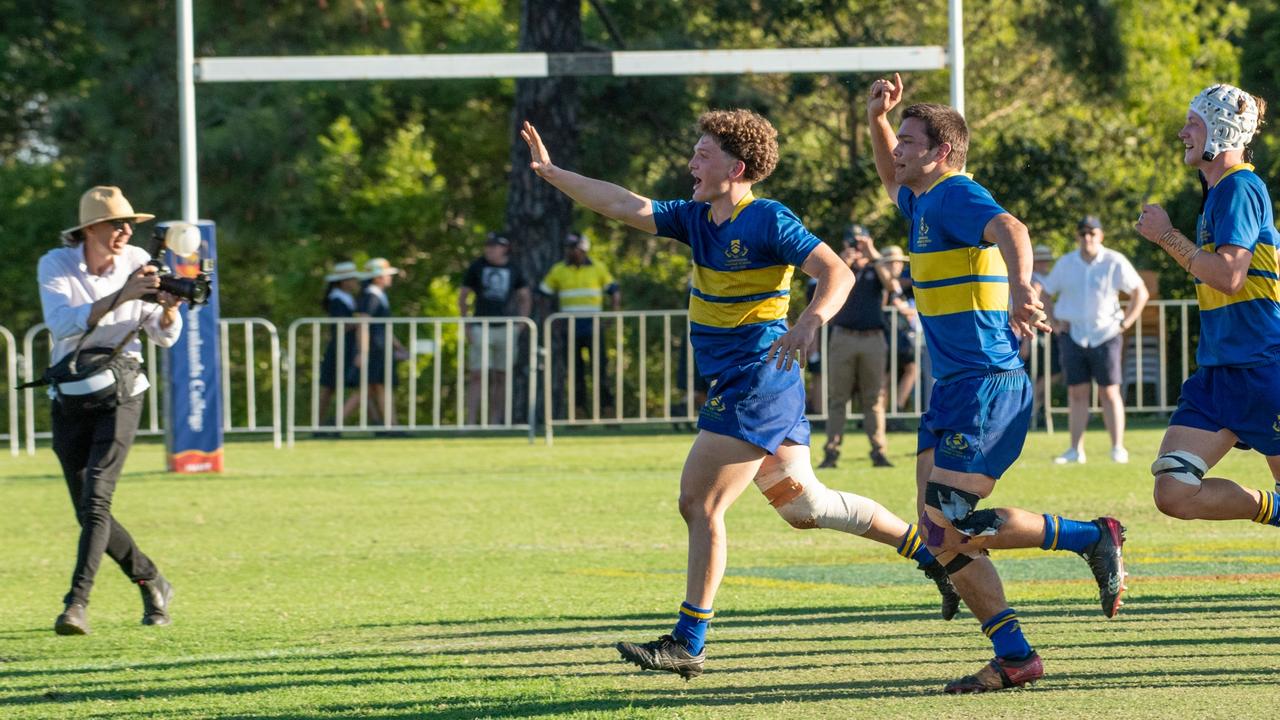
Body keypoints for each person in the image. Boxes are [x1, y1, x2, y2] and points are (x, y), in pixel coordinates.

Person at [522, 109, 961, 681]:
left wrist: (808, 324)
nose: (691, 165)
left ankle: (688, 640)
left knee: (700, 503)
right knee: (808, 507)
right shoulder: (696, 217)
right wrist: (554, 173)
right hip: (750, 383)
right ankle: (934, 555)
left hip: (758, 379)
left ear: (738, 167)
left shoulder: (768, 220)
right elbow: (623, 204)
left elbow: (838, 274)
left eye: (702, 155)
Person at [867, 73, 1127, 693]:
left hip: (986, 386)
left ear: (943, 153)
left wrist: (1020, 288)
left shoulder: (956, 195)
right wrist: (878, 118)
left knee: (949, 527)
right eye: (898, 140)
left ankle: (1092, 536)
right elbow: (887, 174)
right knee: (938, 534)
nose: (899, 150)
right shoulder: (922, 200)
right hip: (953, 389)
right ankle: (1015, 656)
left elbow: (1013, 229)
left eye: (910, 141)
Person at [1134, 84, 1280, 560]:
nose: (1182, 133)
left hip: (1265, 371)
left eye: (1192, 123)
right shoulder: (1221, 191)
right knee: (1173, 492)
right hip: (1220, 374)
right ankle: (1273, 509)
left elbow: (1231, 276)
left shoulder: (1239, 185)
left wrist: (1166, 236)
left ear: (1220, 129)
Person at [37, 186, 183, 634]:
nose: (125, 231)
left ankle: (75, 604)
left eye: (129, 224)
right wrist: (124, 293)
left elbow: (162, 336)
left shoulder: (138, 258)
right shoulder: (55, 264)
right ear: (89, 229)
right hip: (73, 392)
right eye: (116, 223)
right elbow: (62, 323)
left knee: (98, 498)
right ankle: (151, 578)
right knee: (88, 509)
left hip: (123, 389)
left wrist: (171, 310)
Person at [1041, 217, 1150, 464]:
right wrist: (1054, 323)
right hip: (1073, 334)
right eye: (1082, 233)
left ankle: (1117, 448)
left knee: (1109, 391)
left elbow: (1139, 292)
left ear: (1101, 235)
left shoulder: (1114, 260)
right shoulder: (1066, 263)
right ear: (1077, 236)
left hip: (1107, 334)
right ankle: (1075, 450)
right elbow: (1046, 292)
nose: (1087, 237)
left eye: (1092, 232)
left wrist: (1126, 322)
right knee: (1076, 392)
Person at [818, 224, 900, 469]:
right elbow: (822, 286)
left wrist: (873, 253)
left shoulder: (877, 267)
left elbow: (892, 287)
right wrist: (842, 262)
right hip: (843, 337)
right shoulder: (841, 267)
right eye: (852, 241)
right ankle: (831, 453)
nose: (856, 245)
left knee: (874, 398)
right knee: (837, 398)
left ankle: (879, 451)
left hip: (873, 338)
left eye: (860, 241)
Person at [539, 233, 620, 419]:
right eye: (568, 248)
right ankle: (579, 413)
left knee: (600, 371)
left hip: (593, 326)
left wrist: (613, 317)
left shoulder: (598, 268)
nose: (570, 251)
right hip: (570, 327)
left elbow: (614, 291)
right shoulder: (559, 270)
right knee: (575, 373)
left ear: (583, 249)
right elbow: (543, 295)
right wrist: (552, 320)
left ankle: (607, 411)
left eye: (573, 247)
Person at [459, 232, 532, 425]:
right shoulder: (477, 266)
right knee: (477, 374)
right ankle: (470, 422)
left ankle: (495, 421)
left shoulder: (514, 268)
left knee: (502, 375)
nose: (489, 249)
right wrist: (466, 323)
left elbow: (525, 296)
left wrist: (521, 323)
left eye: (494, 246)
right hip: (481, 325)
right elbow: (463, 296)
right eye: (488, 246)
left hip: (506, 328)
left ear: (504, 248)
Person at [358, 257, 408, 431]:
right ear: (377, 277)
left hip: (381, 347)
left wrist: (398, 346)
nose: (389, 278)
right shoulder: (372, 295)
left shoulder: (378, 295)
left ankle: (391, 424)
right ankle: (391, 425)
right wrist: (363, 352)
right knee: (375, 387)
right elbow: (364, 324)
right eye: (387, 275)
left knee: (377, 387)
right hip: (375, 348)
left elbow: (384, 328)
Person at [317, 260, 365, 432]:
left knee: (332, 388)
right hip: (340, 347)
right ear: (344, 281)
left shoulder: (347, 298)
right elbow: (340, 325)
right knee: (329, 387)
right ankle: (320, 423)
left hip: (347, 345)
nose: (355, 282)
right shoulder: (337, 300)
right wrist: (359, 321)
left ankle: (325, 423)